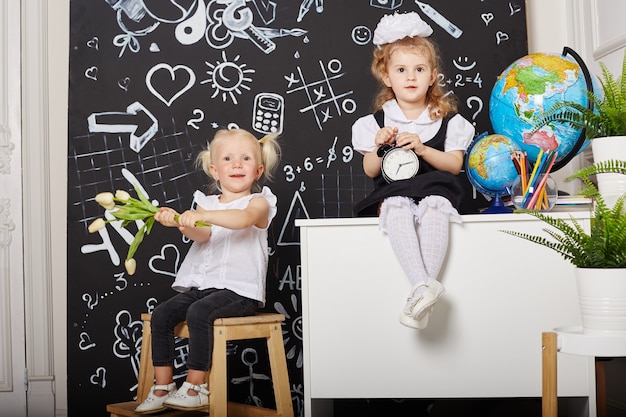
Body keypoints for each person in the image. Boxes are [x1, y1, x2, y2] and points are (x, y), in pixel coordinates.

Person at [134, 128, 281, 413]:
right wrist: (179, 222)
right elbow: (202, 236)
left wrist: (202, 216)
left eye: (246, 159)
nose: (237, 164)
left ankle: (196, 386)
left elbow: (242, 220)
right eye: (228, 158)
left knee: (199, 313)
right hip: (203, 287)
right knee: (161, 315)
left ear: (258, 170)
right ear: (215, 170)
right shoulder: (207, 203)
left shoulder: (259, 202)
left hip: (239, 291)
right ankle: (163, 386)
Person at [351, 12, 475, 329]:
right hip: (394, 191)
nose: (411, 77)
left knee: (436, 208)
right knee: (396, 207)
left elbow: (455, 165)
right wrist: (380, 146)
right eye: (402, 70)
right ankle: (423, 287)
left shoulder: (449, 121)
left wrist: (422, 148)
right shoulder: (376, 122)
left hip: (437, 188)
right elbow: (369, 170)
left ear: (432, 76)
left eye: (419, 69)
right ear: (386, 76)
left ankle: (421, 293)